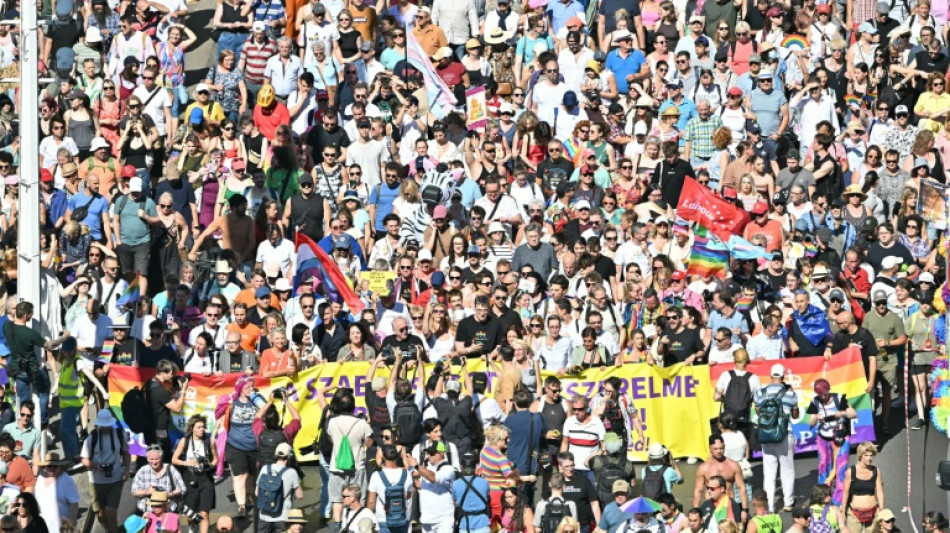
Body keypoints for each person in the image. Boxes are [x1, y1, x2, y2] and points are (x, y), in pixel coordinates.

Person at [753, 363, 799, 513]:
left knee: (769, 473)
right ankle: (788, 502)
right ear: (784, 376)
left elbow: (758, 411)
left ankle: (770, 505)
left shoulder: (760, 393)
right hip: (785, 434)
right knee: (787, 470)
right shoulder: (790, 394)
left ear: (771, 376)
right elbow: (795, 415)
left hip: (767, 435)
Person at [80, 408, 131, 533]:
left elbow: (126, 452)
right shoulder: (92, 438)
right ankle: (110, 529)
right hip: (96, 481)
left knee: (111, 511)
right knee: (101, 513)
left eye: (108, 425)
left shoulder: (120, 434)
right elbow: (84, 459)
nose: (106, 428)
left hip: (115, 478)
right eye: (103, 426)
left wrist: (126, 469)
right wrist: (95, 465)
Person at [256, 442, 303, 533]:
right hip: (282, 516)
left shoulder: (265, 468)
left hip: (264, 515)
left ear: (275, 455)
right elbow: (300, 495)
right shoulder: (291, 472)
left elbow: (257, 493)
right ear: (289, 457)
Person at [841, 442, 884, 533]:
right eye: (866, 455)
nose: (869, 458)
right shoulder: (851, 471)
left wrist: (881, 509)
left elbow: (879, 491)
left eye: (871, 455)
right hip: (854, 513)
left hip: (873, 512)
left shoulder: (876, 471)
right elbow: (845, 493)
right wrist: (843, 512)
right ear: (861, 455)